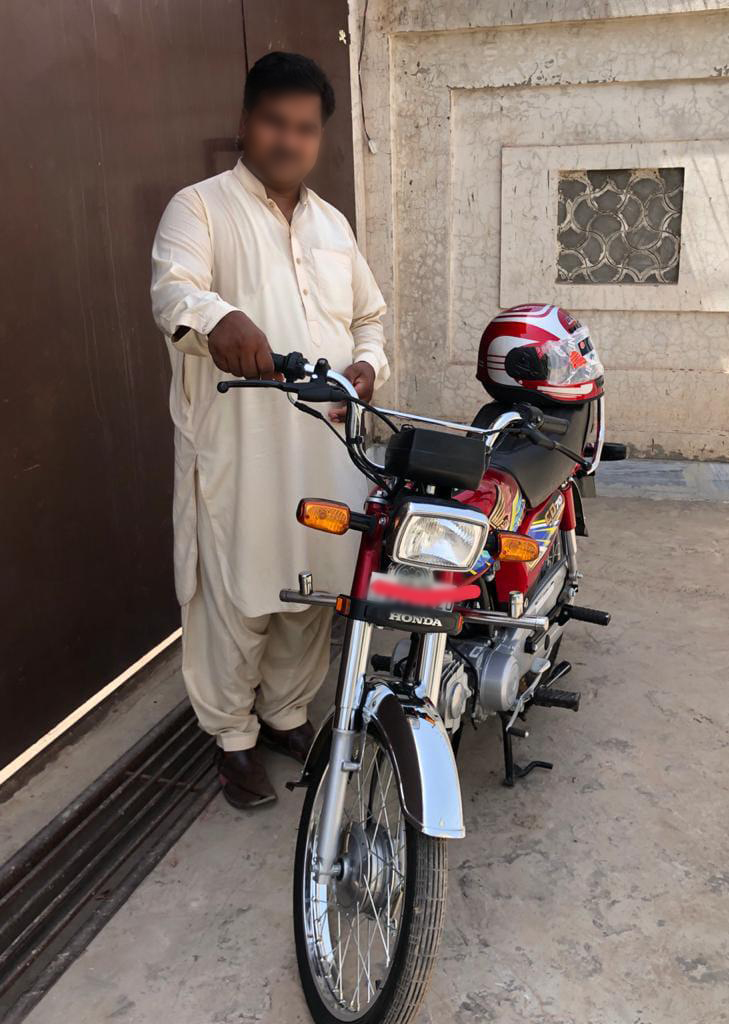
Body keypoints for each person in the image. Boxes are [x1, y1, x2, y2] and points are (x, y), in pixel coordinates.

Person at [150, 52, 388, 809]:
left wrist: (369, 364)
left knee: (312, 588)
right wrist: (220, 318)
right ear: (246, 121)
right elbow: (174, 291)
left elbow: (368, 318)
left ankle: (286, 715)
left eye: (305, 128)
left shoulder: (332, 224)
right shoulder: (201, 207)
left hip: (327, 445)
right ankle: (233, 739)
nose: (289, 140)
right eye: (275, 122)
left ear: (318, 137)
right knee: (239, 593)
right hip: (241, 449)